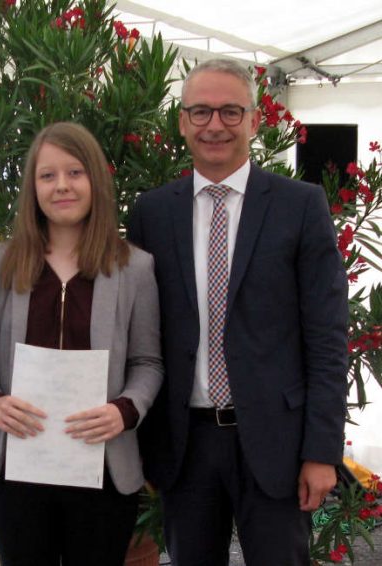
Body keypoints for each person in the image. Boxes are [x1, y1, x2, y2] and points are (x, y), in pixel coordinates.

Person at [128, 58, 349, 565]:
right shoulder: (152, 213)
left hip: (278, 444)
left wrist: (321, 451)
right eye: (201, 112)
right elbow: (140, 337)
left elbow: (327, 340)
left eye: (231, 111)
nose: (215, 125)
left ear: (254, 120)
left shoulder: (301, 206)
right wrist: (140, 445)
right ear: (182, 122)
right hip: (186, 446)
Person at [0, 122, 164, 566]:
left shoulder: (134, 267)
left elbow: (148, 362)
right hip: (17, 467)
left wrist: (125, 410)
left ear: (95, 180)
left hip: (103, 469)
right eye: (47, 175)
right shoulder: (2, 261)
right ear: (32, 187)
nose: (62, 186)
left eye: (74, 173)